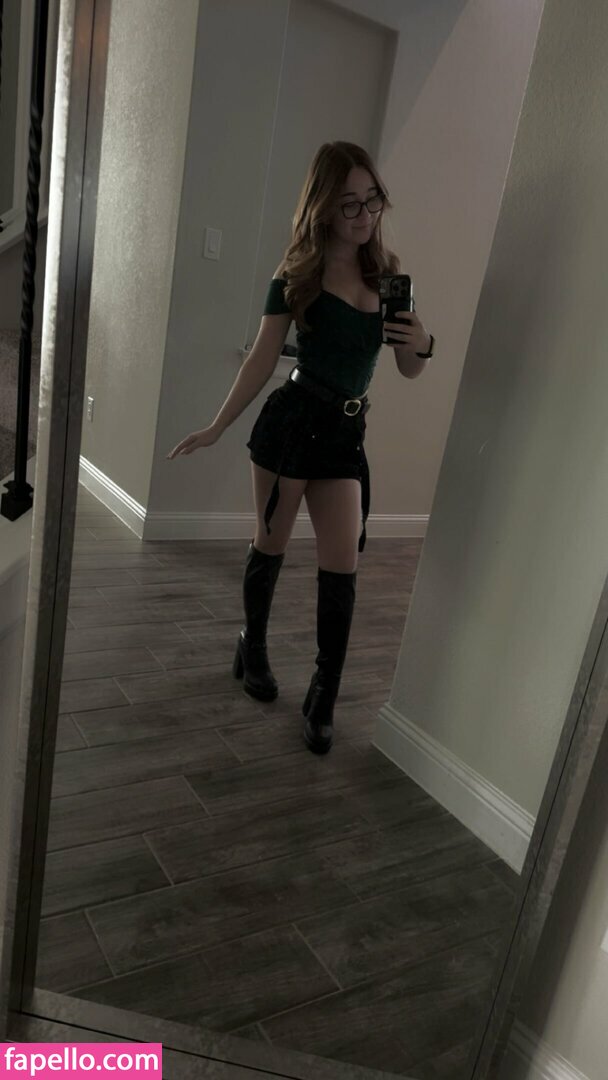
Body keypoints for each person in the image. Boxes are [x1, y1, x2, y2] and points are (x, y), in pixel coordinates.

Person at [167, 141, 433, 754]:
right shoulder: (296, 276)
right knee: (271, 544)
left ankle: (323, 693)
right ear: (323, 207)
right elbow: (262, 360)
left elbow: (410, 369)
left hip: (345, 436)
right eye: (349, 203)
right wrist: (216, 427)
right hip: (290, 427)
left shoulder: (390, 278)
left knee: (343, 564)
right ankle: (252, 645)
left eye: (372, 199)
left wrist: (422, 340)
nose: (364, 214)